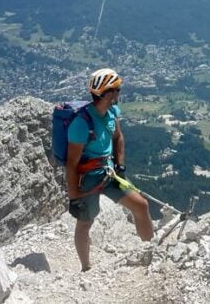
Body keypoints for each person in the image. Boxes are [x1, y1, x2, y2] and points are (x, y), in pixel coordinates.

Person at [66, 67, 154, 272]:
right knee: (85, 222)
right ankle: (86, 269)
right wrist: (73, 197)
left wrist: (120, 165)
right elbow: (71, 164)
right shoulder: (81, 124)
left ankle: (152, 252)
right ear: (108, 93)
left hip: (108, 172)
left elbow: (118, 138)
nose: (120, 93)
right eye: (117, 89)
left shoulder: (112, 113)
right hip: (86, 179)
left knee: (141, 206)